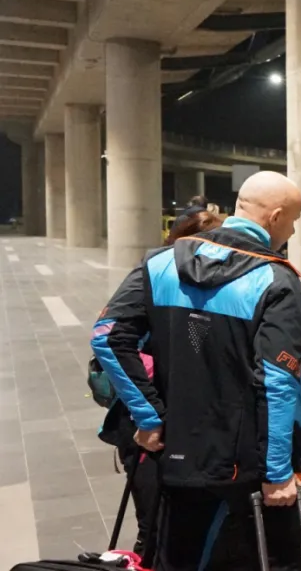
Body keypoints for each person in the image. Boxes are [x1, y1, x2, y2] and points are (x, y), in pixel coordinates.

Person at [91, 171, 301, 571]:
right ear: (276, 217)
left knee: (178, 556)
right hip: (243, 465)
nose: (292, 230)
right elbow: (279, 382)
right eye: (293, 221)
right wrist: (279, 471)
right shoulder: (276, 280)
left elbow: (107, 336)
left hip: (172, 454)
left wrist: (149, 416)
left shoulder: (160, 262)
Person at [95, 207, 225, 557]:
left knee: (189, 532)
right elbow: (107, 338)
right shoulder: (155, 272)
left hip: (188, 425)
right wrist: (149, 416)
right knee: (153, 529)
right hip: (146, 426)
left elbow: (197, 345)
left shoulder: (206, 287)